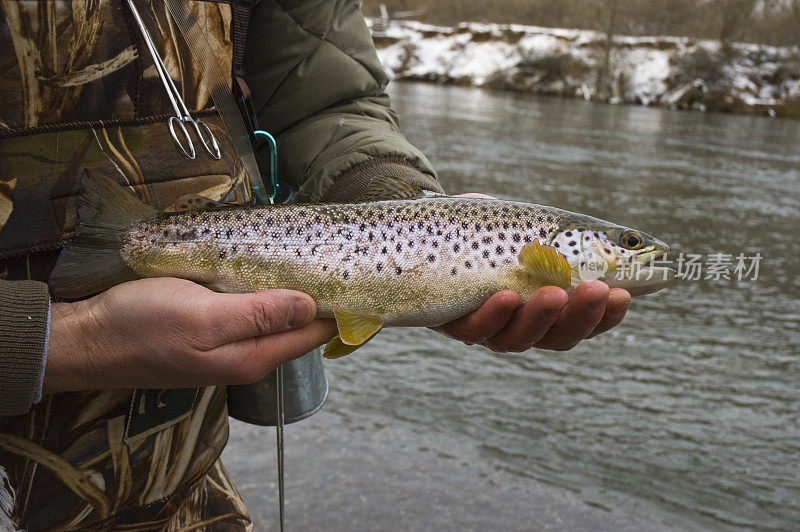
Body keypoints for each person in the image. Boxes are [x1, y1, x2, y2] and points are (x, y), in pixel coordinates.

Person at [0, 0, 630, 528]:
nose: (636, 256)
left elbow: (318, 96)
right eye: (626, 245)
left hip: (173, 475)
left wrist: (396, 203)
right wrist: (54, 343)